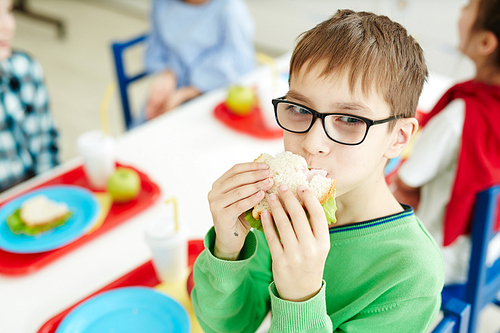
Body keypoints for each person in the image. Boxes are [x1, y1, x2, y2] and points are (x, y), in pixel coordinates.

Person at [191, 9, 444, 332]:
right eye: (299, 109)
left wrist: (301, 295)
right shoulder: (283, 210)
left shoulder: (411, 272)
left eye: (350, 120)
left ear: (398, 138)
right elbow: (230, 326)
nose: (311, 143)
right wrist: (228, 250)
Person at [391, 0, 500, 285]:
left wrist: (402, 183)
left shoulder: (461, 115)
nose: (461, 13)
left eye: (468, 8)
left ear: (486, 42)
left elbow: (408, 176)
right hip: (488, 246)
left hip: (441, 256)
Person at [143, 0, 256, 120]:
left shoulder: (230, 8)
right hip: (173, 90)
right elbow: (156, 46)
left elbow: (237, 60)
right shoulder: (161, 4)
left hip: (219, 93)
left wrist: (187, 93)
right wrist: (167, 73)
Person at [0, 0, 59, 193]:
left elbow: (46, 150)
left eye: (8, 10)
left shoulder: (25, 71)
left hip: (33, 192)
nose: (8, 25)